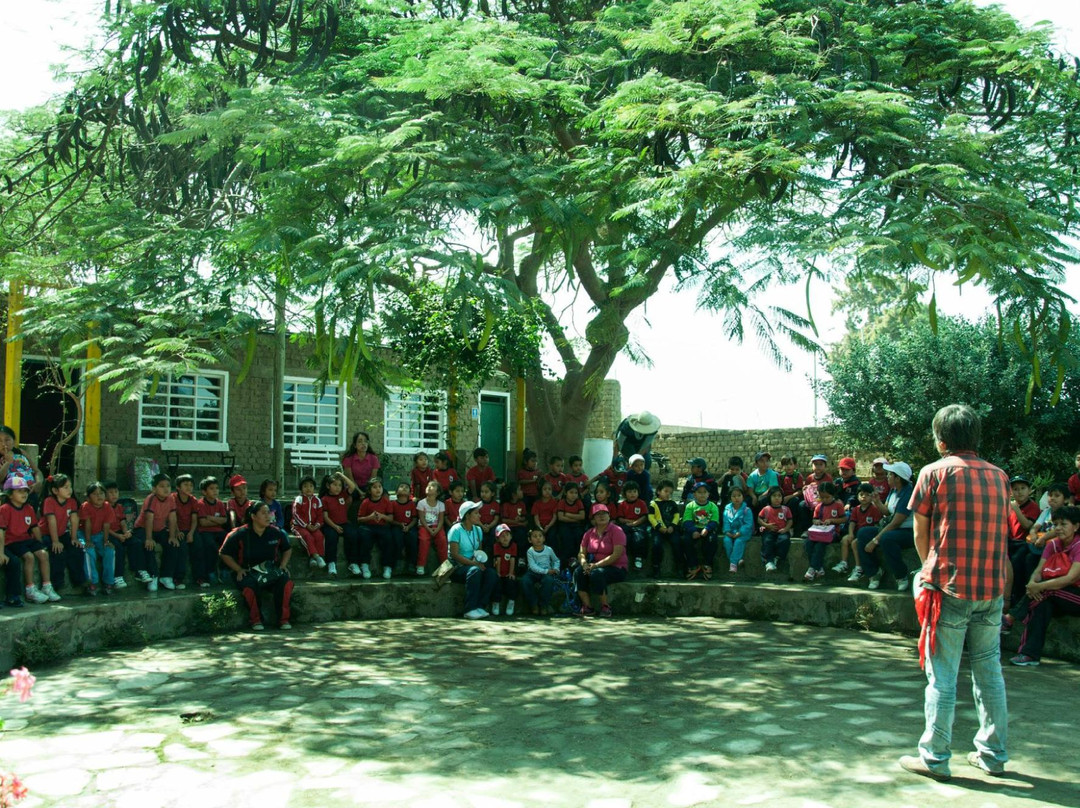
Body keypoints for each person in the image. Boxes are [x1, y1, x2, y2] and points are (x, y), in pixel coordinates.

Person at [899, 403, 1009, 782]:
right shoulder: (1000, 477)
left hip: (949, 587)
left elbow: (919, 533)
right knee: (989, 672)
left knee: (942, 676)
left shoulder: (933, 473)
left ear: (941, 440)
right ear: (975, 437)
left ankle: (934, 757)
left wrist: (929, 569)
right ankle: (993, 755)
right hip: (991, 588)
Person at [1011, 505, 1080, 666]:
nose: (1058, 528)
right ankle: (1029, 654)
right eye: (1056, 524)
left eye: (1064, 524)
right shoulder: (1052, 545)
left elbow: (1071, 578)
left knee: (1048, 593)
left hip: (1075, 594)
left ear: (1076, 526)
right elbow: (1038, 571)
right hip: (1057, 595)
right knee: (1041, 604)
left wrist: (1039, 587)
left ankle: (1011, 617)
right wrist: (1032, 584)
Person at [218, 500, 294, 631]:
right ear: (253, 516)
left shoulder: (276, 532)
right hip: (248, 571)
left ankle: (283, 620)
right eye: (263, 513)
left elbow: (287, 549)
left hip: (270, 571)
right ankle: (256, 620)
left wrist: (283, 565)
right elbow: (223, 553)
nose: (268, 516)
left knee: (285, 582)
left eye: (268, 513)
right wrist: (238, 569)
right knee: (249, 587)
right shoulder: (239, 534)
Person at [853, 462, 916, 591]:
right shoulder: (893, 491)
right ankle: (874, 573)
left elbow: (896, 522)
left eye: (890, 475)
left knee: (887, 538)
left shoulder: (908, 493)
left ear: (898, 478)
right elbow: (887, 511)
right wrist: (876, 502)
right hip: (893, 529)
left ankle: (901, 576)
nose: (887, 477)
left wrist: (875, 540)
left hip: (908, 531)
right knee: (863, 533)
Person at [1, 477, 57, 605]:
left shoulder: (29, 508)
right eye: (19, 491)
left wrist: (39, 543)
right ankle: (30, 589)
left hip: (25, 539)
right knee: (29, 557)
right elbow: (2, 531)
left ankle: (47, 586)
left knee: (43, 553)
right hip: (12, 541)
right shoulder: (5, 509)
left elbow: (34, 527)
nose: (24, 494)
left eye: (25, 491)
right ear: (10, 494)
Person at [576, 503, 628, 617]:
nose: (601, 516)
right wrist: (584, 563)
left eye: (604, 513)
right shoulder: (589, 533)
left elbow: (616, 555)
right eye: (598, 514)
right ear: (593, 519)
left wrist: (596, 565)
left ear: (609, 516)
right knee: (579, 572)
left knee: (596, 574)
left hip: (617, 567)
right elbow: (581, 553)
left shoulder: (617, 530)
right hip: (594, 566)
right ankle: (588, 607)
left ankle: (605, 607)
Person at [448, 500, 497, 619]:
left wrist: (478, 561)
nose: (479, 515)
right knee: (475, 571)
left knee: (491, 573)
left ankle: (480, 606)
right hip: (457, 567)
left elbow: (478, 551)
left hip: (472, 564)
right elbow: (454, 554)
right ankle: (469, 609)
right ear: (467, 516)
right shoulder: (456, 530)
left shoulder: (478, 530)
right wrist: (473, 563)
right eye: (476, 513)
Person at [132, 473, 180, 592]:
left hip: (160, 529)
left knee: (172, 544)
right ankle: (153, 576)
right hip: (143, 529)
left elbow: (172, 518)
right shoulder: (151, 499)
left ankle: (166, 576)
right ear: (154, 488)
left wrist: (172, 536)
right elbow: (149, 519)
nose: (166, 489)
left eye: (168, 486)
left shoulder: (171, 499)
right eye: (162, 486)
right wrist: (149, 538)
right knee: (148, 546)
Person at [39, 474, 85, 594]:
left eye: (70, 487)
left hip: (62, 533)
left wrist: (74, 538)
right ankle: (57, 584)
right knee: (58, 551)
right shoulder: (49, 501)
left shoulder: (72, 501)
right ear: (55, 490)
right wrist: (55, 541)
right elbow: (51, 521)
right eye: (65, 487)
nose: (69, 490)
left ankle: (79, 582)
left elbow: (74, 519)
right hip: (46, 534)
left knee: (77, 549)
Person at [833, 483, 881, 579]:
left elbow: (876, 526)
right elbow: (852, 523)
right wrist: (850, 533)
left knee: (855, 543)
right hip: (856, 533)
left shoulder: (874, 509)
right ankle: (844, 563)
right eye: (861, 494)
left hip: (867, 536)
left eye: (867, 495)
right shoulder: (856, 509)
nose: (864, 497)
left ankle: (859, 568)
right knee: (845, 539)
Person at [79, 481, 117, 595]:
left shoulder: (107, 506)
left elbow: (106, 524)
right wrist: (88, 541)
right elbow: (87, 524)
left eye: (101, 493)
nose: (99, 496)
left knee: (110, 551)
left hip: (100, 535)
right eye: (95, 494)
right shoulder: (86, 506)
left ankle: (109, 582)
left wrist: (106, 541)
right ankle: (92, 582)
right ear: (89, 496)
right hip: (84, 534)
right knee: (89, 551)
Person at [802, 482, 846, 582]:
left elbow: (843, 519)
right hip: (820, 532)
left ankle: (812, 568)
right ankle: (818, 567)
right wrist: (817, 521)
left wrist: (832, 520)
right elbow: (814, 519)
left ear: (833, 495)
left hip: (833, 533)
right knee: (808, 543)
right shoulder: (819, 507)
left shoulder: (838, 505)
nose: (825, 500)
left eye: (827, 497)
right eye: (822, 497)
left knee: (819, 545)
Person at [320, 472, 358, 577]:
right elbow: (325, 517)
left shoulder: (342, 495)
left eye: (340, 485)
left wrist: (342, 476)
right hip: (330, 525)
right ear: (328, 486)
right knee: (331, 537)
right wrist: (335, 526)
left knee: (353, 534)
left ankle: (353, 563)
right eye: (335, 485)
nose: (338, 488)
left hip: (344, 523)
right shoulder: (324, 499)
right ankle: (331, 563)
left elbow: (352, 486)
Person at [193, 476, 229, 587]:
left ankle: (224, 569)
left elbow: (224, 520)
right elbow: (203, 523)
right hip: (205, 532)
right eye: (211, 488)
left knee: (228, 543)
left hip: (218, 531)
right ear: (204, 492)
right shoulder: (201, 504)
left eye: (217, 488)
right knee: (211, 546)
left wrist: (210, 518)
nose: (215, 491)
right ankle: (211, 572)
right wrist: (217, 521)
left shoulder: (219, 504)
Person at [356, 478, 394, 579]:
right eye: (374, 487)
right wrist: (370, 517)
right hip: (368, 527)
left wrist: (382, 516)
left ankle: (387, 567)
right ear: (369, 490)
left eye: (380, 487)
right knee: (365, 538)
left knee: (388, 539)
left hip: (382, 526)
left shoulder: (386, 501)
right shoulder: (366, 502)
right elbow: (359, 519)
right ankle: (364, 565)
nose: (378, 489)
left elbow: (390, 518)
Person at [681, 482, 721, 581]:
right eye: (699, 492)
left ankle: (707, 564)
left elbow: (715, 520)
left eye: (705, 492)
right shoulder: (690, 506)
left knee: (712, 540)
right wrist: (693, 531)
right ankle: (693, 564)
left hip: (708, 528)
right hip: (694, 528)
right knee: (685, 540)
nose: (702, 494)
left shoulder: (713, 506)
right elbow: (686, 520)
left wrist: (707, 529)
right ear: (694, 494)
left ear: (708, 494)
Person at [521, 527, 560, 615]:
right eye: (535, 536)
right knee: (525, 581)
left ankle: (543, 605)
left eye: (540, 536)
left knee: (548, 581)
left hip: (547, 572)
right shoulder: (530, 551)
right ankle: (533, 604)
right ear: (530, 540)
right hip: (533, 572)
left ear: (544, 538)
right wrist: (546, 571)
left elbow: (556, 560)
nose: (538, 538)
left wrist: (556, 569)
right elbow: (533, 566)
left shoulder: (549, 549)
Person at [292, 476, 328, 571]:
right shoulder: (299, 499)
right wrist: (306, 525)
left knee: (319, 536)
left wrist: (316, 526)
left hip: (313, 526)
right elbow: (296, 514)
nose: (308, 488)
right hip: (299, 526)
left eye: (311, 486)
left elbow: (320, 517)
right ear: (301, 489)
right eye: (305, 486)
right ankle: (317, 557)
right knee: (308, 536)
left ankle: (313, 558)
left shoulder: (317, 501)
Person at [648, 479, 682, 578]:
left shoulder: (672, 503)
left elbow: (676, 516)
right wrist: (659, 527)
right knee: (656, 544)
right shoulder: (653, 504)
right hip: (658, 530)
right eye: (666, 491)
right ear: (659, 491)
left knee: (677, 543)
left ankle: (680, 566)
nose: (668, 494)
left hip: (671, 529)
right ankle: (656, 567)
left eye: (670, 493)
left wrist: (672, 526)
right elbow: (651, 517)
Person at [757, 486, 792, 574]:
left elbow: (790, 520)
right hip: (769, 530)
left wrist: (786, 529)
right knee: (767, 541)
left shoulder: (785, 509)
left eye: (779, 496)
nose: (777, 498)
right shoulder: (766, 509)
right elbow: (759, 519)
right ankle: (768, 561)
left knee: (784, 540)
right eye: (774, 496)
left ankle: (777, 557)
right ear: (770, 497)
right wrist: (767, 525)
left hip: (782, 531)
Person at [615, 480, 650, 570]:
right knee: (623, 536)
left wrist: (635, 523)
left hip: (639, 525)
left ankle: (638, 557)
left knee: (640, 537)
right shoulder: (622, 505)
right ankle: (621, 556)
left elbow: (644, 517)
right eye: (629, 492)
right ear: (624, 494)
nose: (632, 494)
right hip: (626, 525)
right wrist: (629, 522)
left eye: (634, 491)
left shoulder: (641, 503)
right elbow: (620, 518)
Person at [415, 480, 447, 575]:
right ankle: (420, 565)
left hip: (437, 527)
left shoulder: (441, 505)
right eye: (428, 486)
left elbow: (441, 520)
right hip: (424, 526)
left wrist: (436, 529)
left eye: (432, 486)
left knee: (442, 539)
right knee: (424, 540)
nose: (429, 487)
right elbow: (422, 518)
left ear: (437, 493)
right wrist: (429, 529)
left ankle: (445, 565)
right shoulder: (421, 503)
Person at [104, 481, 131, 589]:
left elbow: (123, 522)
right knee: (118, 548)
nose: (114, 494)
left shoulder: (119, 506)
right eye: (110, 492)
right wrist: (117, 536)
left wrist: (126, 532)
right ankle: (118, 576)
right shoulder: (104, 507)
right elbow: (105, 528)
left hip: (120, 532)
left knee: (136, 543)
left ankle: (140, 570)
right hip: (109, 533)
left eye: (116, 492)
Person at [0, 425, 42, 495]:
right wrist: (7, 462)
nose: (4, 444)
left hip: (29, 490)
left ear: (13, 441)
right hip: (12, 495)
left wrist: (38, 482)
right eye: (0, 441)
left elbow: (37, 471)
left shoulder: (21, 453)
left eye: (7, 440)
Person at [554, 482, 586, 570]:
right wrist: (576, 518)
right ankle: (568, 559)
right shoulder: (562, 502)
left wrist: (568, 514)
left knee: (579, 535)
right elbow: (560, 517)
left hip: (576, 525)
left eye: (576, 493)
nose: (574, 495)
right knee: (566, 536)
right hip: (564, 524)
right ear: (565, 493)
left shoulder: (579, 502)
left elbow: (582, 516)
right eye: (571, 492)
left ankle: (577, 557)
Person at [722, 487, 754, 574]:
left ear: (743, 497)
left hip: (743, 533)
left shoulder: (747, 510)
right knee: (727, 541)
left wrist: (740, 532)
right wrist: (727, 531)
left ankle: (733, 564)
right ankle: (738, 559)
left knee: (738, 542)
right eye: (734, 496)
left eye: (739, 495)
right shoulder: (727, 510)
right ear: (730, 498)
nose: (736, 498)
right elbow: (726, 522)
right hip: (730, 532)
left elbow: (748, 524)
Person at [490, 523, 518, 616]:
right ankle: (496, 603)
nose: (505, 537)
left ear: (511, 536)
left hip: (508, 572)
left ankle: (511, 602)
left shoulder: (513, 545)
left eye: (507, 535)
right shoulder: (496, 546)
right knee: (496, 583)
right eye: (502, 536)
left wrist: (511, 573)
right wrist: (497, 573)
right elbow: (498, 559)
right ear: (498, 539)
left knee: (511, 582)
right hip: (499, 572)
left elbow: (512, 559)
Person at [389, 482, 417, 579]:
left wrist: (408, 527)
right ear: (396, 492)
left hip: (410, 526)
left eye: (406, 487)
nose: (404, 488)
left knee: (413, 538)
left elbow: (414, 519)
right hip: (397, 526)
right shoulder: (393, 504)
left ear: (410, 493)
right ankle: (398, 563)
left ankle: (412, 564)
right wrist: (399, 524)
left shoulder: (412, 504)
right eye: (401, 487)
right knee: (397, 539)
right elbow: (391, 519)